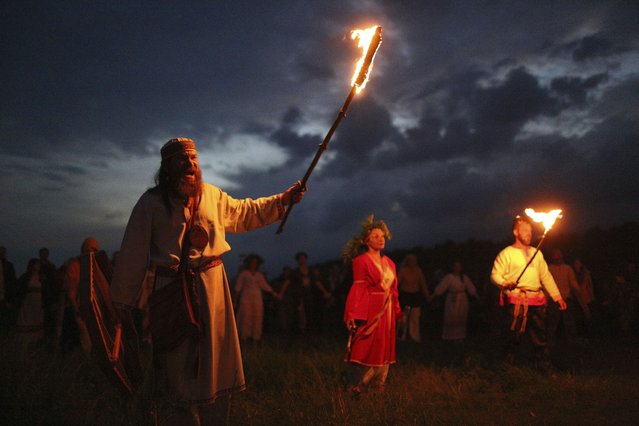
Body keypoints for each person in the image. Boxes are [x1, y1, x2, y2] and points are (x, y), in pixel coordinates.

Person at [109, 137, 304, 425]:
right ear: (167, 167)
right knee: (177, 369)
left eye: (194, 159)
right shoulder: (150, 203)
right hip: (172, 295)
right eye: (182, 160)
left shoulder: (212, 196)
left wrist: (283, 200)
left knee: (216, 367)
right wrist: (122, 305)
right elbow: (133, 254)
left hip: (213, 293)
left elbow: (245, 213)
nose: (190, 164)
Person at [490, 215, 567, 375]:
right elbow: (495, 275)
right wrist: (505, 283)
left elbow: (545, 276)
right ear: (515, 232)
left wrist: (557, 296)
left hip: (537, 301)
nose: (529, 234)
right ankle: (507, 367)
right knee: (512, 336)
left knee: (540, 337)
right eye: (525, 231)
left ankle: (544, 367)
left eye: (530, 231)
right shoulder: (506, 253)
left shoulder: (536, 253)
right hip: (517, 301)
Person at [342, 215, 402, 395]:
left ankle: (377, 386)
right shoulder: (361, 261)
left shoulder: (390, 262)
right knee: (365, 345)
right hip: (371, 309)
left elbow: (394, 289)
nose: (380, 238)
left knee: (384, 346)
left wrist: (398, 310)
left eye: (382, 236)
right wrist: (352, 313)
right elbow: (358, 287)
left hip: (388, 311)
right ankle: (355, 386)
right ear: (365, 241)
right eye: (376, 236)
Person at [234, 254, 279, 342]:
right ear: (249, 263)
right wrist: (235, 299)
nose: (253, 264)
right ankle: (244, 337)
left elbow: (265, 286)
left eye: (255, 262)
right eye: (252, 262)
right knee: (246, 316)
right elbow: (238, 287)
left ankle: (256, 338)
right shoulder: (244, 274)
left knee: (257, 316)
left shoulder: (259, 275)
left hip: (257, 298)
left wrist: (274, 294)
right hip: (246, 297)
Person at [431, 259, 479, 342]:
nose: (457, 268)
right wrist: (432, 296)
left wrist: (477, 296)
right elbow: (441, 287)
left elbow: (471, 288)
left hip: (462, 299)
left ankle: (460, 336)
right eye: (455, 266)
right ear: (453, 267)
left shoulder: (464, 277)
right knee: (451, 315)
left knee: (461, 315)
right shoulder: (449, 277)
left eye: (458, 266)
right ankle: (450, 336)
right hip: (452, 299)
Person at [547, 248, 580, 344]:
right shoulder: (549, 268)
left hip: (567, 299)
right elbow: (546, 285)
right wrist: (546, 299)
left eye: (559, 254)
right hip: (554, 300)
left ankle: (571, 340)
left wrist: (578, 292)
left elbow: (573, 282)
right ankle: (551, 342)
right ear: (552, 256)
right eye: (555, 254)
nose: (557, 256)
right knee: (553, 322)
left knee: (569, 322)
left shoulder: (567, 268)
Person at [397, 254, 429, 343]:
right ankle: (401, 337)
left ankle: (415, 337)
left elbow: (423, 284)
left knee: (415, 317)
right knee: (404, 317)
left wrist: (427, 295)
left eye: (414, 261)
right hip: (406, 296)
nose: (413, 262)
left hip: (415, 297)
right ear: (407, 262)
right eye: (411, 261)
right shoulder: (403, 271)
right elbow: (397, 283)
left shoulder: (418, 271)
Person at [15, 258, 45, 343]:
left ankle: (35, 341)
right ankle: (25, 341)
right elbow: (20, 290)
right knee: (26, 320)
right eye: (36, 264)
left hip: (38, 303)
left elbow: (45, 291)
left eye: (39, 265)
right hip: (27, 303)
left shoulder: (42, 277)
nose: (38, 266)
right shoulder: (26, 277)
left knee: (36, 321)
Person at [0, 246, 18, 336]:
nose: (2, 254)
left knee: (5, 321)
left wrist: (10, 300)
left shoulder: (8, 266)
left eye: (4, 252)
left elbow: (12, 283)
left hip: (5, 298)